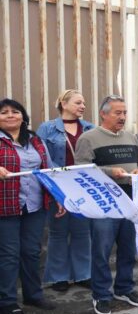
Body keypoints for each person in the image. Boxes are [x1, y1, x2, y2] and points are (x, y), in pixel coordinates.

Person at [75, 95, 138, 314]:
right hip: (104, 201)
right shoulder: (88, 138)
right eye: (117, 113)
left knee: (128, 247)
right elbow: (81, 168)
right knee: (102, 249)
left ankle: (124, 288)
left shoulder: (131, 137)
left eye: (125, 112)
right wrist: (110, 172)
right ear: (103, 114)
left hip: (130, 197)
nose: (122, 117)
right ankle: (101, 294)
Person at [0, 98, 61, 314]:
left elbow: (49, 169)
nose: (9, 115)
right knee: (8, 255)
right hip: (5, 206)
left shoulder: (35, 140)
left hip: (34, 205)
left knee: (31, 252)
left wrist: (58, 197)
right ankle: (7, 302)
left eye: (15, 112)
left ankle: (33, 295)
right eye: (4, 112)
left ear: (23, 117)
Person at [36, 89, 94, 292]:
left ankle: (83, 274)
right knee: (58, 233)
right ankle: (59, 276)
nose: (83, 106)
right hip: (57, 186)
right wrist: (53, 191)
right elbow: (41, 159)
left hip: (83, 187)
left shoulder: (89, 127)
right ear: (64, 104)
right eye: (78, 102)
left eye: (84, 103)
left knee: (82, 232)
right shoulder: (47, 128)